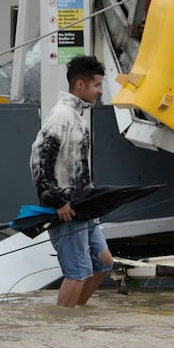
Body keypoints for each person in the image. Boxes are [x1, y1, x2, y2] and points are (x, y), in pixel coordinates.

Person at [30, 55, 113, 308]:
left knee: (104, 263)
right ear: (80, 85)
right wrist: (56, 201)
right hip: (66, 210)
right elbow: (38, 161)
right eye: (96, 85)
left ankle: (77, 315)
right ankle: (62, 327)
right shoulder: (61, 116)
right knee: (77, 273)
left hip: (84, 206)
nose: (99, 91)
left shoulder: (79, 115)